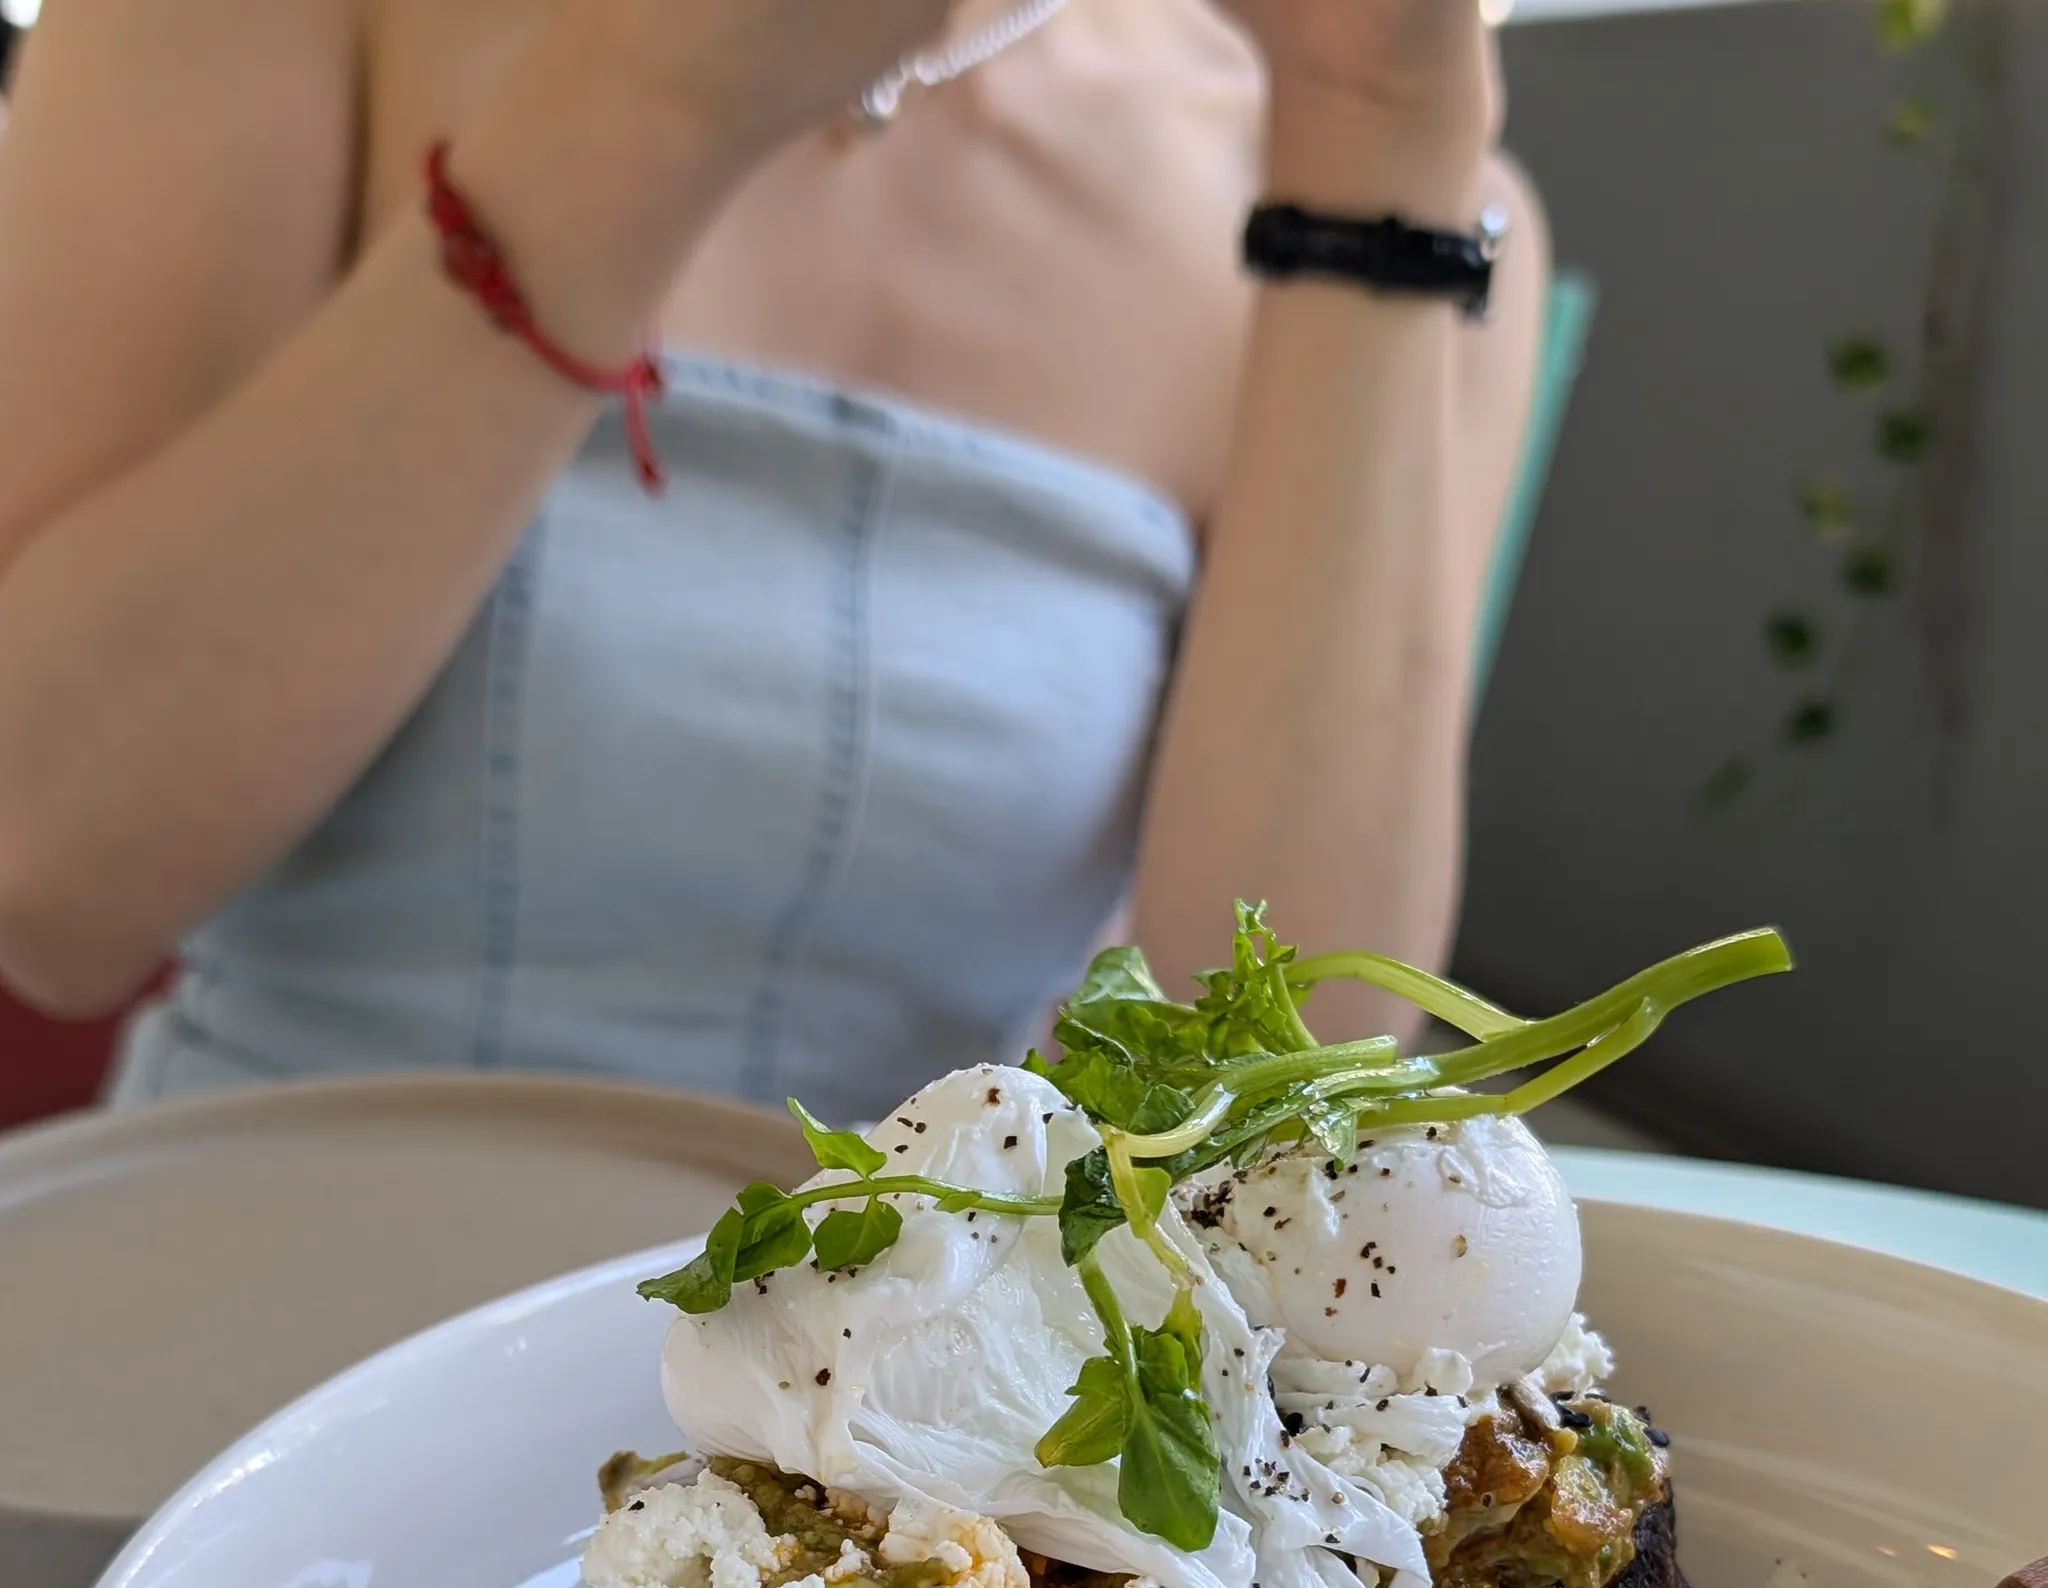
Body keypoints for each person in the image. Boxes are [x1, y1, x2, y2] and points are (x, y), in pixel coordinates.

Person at [0, 0, 1546, 1124]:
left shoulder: (1392, 179)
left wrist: (1376, 129)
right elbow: (49, 877)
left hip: (875, 1471)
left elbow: (1279, 1092)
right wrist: (660, 91)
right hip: (212, 1350)